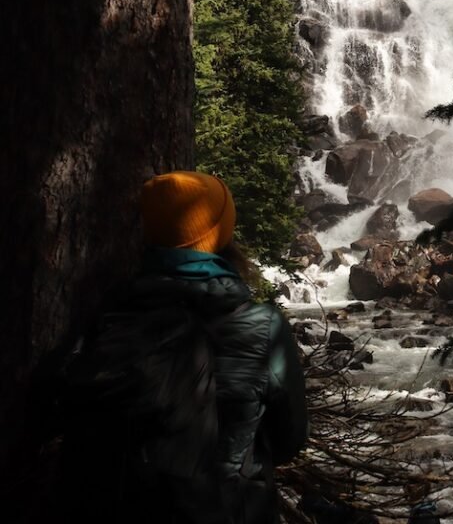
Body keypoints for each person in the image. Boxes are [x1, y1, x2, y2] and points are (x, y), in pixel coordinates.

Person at [58, 170, 308, 524]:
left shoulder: (111, 312)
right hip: (228, 509)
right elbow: (291, 438)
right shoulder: (262, 326)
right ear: (220, 234)